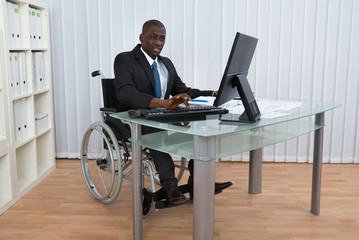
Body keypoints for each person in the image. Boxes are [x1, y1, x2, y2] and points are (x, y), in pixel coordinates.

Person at [111, 19, 232, 204]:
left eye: (162, 38)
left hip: (163, 117)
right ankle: (170, 187)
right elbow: (125, 93)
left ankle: (196, 183)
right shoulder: (125, 59)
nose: (158, 42)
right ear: (141, 38)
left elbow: (182, 90)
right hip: (134, 118)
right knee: (154, 132)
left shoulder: (166, 63)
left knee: (200, 130)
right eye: (153, 37)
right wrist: (162, 103)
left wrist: (213, 93)